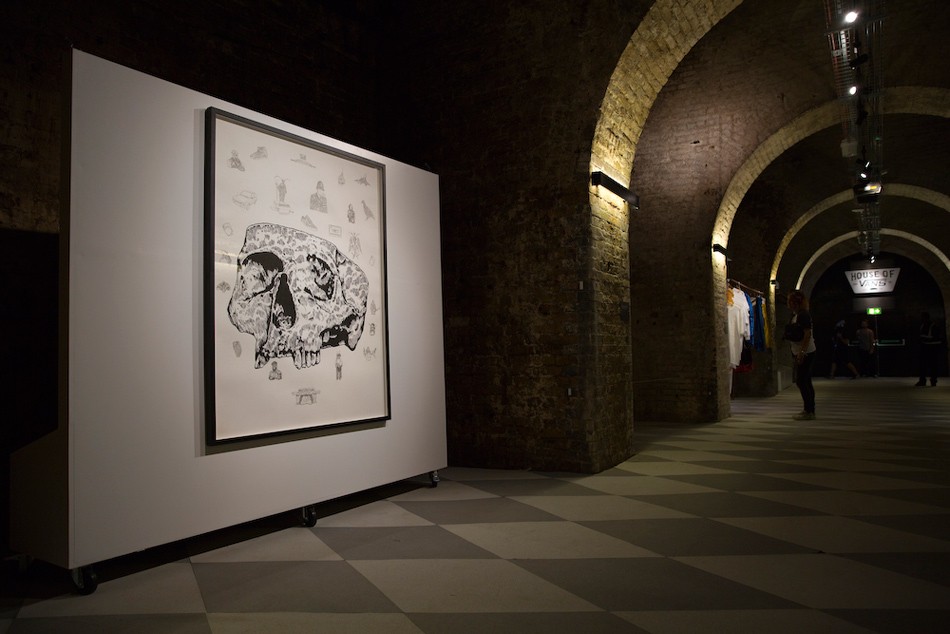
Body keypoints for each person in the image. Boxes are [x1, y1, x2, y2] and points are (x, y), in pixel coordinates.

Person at [786, 290, 816, 420]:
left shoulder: (803, 315)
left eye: (791, 301)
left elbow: (807, 334)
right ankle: (809, 409)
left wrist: (802, 352)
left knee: (801, 381)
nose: (789, 304)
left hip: (806, 352)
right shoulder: (796, 314)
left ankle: (809, 411)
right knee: (806, 381)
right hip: (800, 351)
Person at [915, 312, 942, 387]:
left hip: (931, 348)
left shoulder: (932, 326)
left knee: (931, 365)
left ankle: (930, 381)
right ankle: (925, 380)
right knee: (925, 365)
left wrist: (922, 339)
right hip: (927, 347)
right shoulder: (924, 325)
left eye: (922, 318)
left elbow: (933, 337)